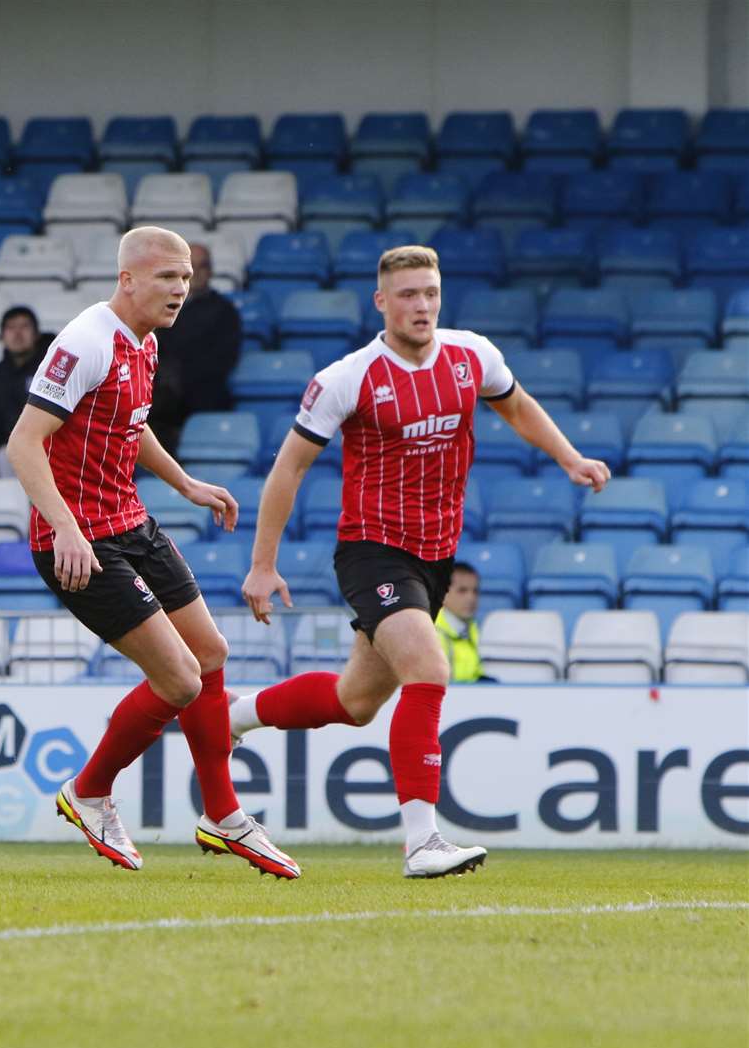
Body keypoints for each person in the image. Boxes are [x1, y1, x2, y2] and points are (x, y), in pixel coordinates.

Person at [235, 244, 609, 879]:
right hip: (372, 549)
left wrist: (568, 457)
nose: (422, 305)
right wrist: (262, 564)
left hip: (435, 557)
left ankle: (231, 716)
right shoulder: (348, 377)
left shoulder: (471, 356)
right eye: (407, 294)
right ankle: (422, 842)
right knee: (430, 670)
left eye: (430, 292)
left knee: (356, 702)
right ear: (381, 302)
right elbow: (289, 467)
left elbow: (515, 405)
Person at [6, 226, 299, 879]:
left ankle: (223, 816)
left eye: (187, 278)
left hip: (128, 521)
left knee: (213, 653)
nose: (180, 289)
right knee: (180, 679)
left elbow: (127, 427)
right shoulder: (84, 341)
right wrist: (67, 528)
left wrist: (185, 483)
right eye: (168, 277)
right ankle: (88, 790)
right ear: (128, 279)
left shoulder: (145, 343)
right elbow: (23, 443)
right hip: (76, 539)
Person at [149, 241, 242, 453]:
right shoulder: (164, 307)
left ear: (210, 271)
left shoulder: (224, 311)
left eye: (202, 267)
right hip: (164, 402)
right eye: (190, 267)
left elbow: (225, 358)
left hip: (203, 397)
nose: (195, 273)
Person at [0, 305, 52, 477]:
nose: (17, 334)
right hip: (10, 442)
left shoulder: (50, 368)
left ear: (36, 334)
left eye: (24, 327)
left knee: (7, 456)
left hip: (48, 440)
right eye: (11, 328)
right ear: (2, 336)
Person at [435, 561, 485, 683]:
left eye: (475, 591)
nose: (471, 598)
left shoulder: (473, 629)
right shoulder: (429, 632)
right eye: (462, 591)